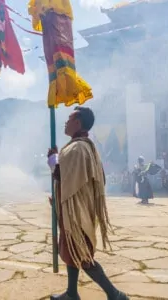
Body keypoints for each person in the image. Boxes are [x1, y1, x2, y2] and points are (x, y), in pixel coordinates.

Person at [47, 107, 128, 300]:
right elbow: (69, 179)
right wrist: (59, 200)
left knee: (82, 256)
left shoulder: (77, 148)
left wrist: (52, 159)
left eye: (69, 118)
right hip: (75, 210)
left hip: (78, 213)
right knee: (71, 251)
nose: (65, 122)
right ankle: (72, 293)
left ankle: (115, 294)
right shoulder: (84, 146)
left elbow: (62, 175)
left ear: (78, 122)